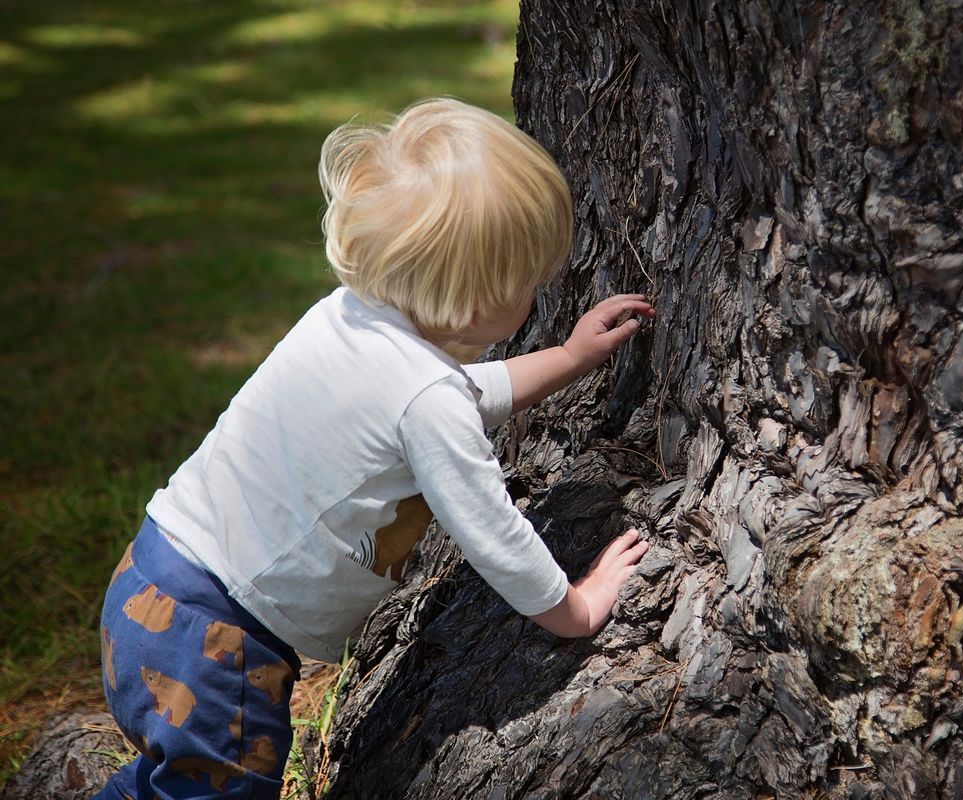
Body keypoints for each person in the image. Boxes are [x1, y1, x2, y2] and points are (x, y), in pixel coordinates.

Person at [94, 97, 655, 799]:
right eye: (530, 284)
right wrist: (575, 607)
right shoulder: (425, 399)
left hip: (152, 580)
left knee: (173, 784)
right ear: (478, 296)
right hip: (215, 647)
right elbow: (490, 529)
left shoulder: (345, 317)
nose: (539, 292)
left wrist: (569, 357)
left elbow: (446, 398)